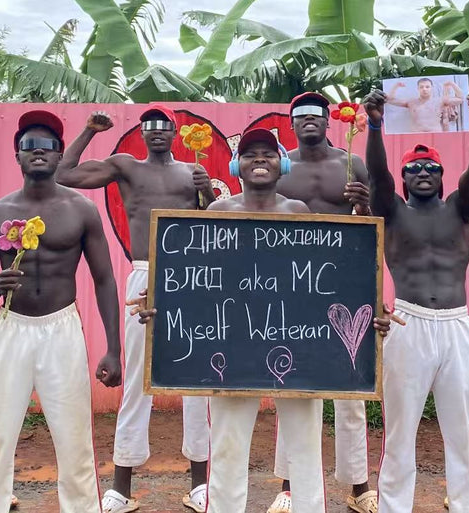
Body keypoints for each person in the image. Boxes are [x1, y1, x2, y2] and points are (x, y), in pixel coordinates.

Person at [130, 128, 391, 513]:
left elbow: (325, 278)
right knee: (229, 447)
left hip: (300, 348)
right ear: (237, 165)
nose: (259, 160)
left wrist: (369, 307)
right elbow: (194, 280)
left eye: (268, 153)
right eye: (250, 154)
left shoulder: (298, 213)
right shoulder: (218, 212)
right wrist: (161, 302)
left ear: (282, 164)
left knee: (305, 447)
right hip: (229, 352)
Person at [56, 104, 213, 513]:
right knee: (138, 383)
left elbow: (215, 223)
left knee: (196, 380)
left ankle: (200, 486)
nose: (158, 131)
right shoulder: (126, 167)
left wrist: (208, 191)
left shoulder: (190, 172)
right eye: (150, 125)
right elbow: (65, 174)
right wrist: (90, 130)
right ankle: (121, 487)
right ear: (141, 132)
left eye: (165, 125)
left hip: (191, 276)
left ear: (176, 132)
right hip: (144, 273)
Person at [0, 109, 122, 513]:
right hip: (11, 329)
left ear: (59, 156)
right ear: (17, 155)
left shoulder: (81, 210)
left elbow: (104, 280)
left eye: (49, 146)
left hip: (61, 329)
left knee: (74, 438)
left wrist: (113, 349)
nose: (39, 152)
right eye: (29, 146)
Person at [363, 88, 469, 513]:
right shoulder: (392, 211)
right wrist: (377, 123)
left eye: (431, 168)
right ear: (404, 179)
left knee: (462, 429)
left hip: (457, 325)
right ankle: (394, 507)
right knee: (400, 431)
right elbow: (377, 176)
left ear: (442, 176)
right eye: (414, 168)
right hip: (408, 323)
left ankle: (466, 504)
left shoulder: (460, 209)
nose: (422, 172)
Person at [266, 92, 375, 513]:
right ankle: (290, 485)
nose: (308, 120)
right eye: (300, 115)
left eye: (316, 114)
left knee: (351, 386)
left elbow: (373, 225)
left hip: (346, 283)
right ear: (290, 123)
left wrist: (362, 204)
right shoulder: (281, 167)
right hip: (291, 287)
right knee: (290, 383)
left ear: (332, 120)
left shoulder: (352, 164)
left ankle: (359, 486)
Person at [385, 77, 463, 133]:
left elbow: (460, 99)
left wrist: (452, 84)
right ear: (418, 89)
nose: (424, 89)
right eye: (421, 87)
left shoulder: (440, 101)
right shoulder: (411, 102)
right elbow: (390, 100)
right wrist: (395, 86)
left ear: (431, 88)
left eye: (427, 87)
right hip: (416, 135)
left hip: (436, 133)